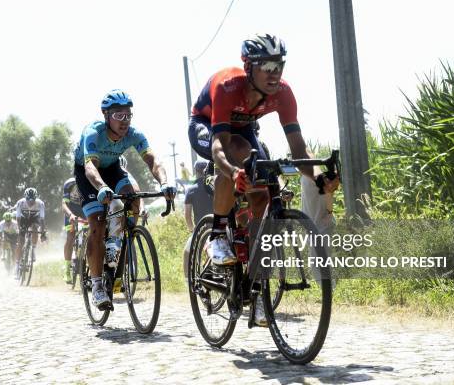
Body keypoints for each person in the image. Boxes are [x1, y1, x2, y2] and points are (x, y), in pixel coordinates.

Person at [188, 33, 340, 326]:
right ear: (249, 67)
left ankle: (256, 293)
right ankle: (218, 236)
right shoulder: (227, 85)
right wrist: (234, 173)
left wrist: (320, 178)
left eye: (279, 65)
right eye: (266, 66)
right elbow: (220, 146)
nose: (274, 74)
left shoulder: (283, 93)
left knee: (263, 194)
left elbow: (299, 149)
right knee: (238, 156)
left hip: (244, 129)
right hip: (208, 126)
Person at [74, 89, 175, 309]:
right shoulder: (93, 132)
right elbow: (90, 166)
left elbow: (152, 160)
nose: (125, 121)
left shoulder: (134, 134)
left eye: (128, 115)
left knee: (133, 197)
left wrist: (164, 182)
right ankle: (98, 285)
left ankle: (120, 241)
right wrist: (101, 188)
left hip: (113, 169)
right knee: (97, 223)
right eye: (119, 115)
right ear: (106, 115)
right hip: (88, 172)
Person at [183, 159, 214, 278]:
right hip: (219, 227)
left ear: (196, 171)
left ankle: (188, 281)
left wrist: (192, 230)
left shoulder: (191, 189)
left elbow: (187, 215)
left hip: (201, 230)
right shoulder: (215, 186)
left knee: (187, 253)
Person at [15, 188, 46, 274]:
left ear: (36, 198)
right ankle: (17, 265)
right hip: (23, 219)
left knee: (35, 228)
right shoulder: (20, 203)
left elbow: (42, 220)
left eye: (33, 200)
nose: (31, 202)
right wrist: (19, 228)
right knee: (20, 242)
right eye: (28, 199)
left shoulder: (40, 203)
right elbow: (18, 218)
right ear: (25, 197)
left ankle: (33, 250)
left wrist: (43, 232)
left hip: (34, 219)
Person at [61, 177, 86, 284]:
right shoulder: (69, 183)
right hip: (71, 209)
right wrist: (70, 215)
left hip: (85, 208)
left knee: (91, 234)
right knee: (71, 236)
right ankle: (66, 269)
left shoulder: (93, 181)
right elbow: (64, 204)